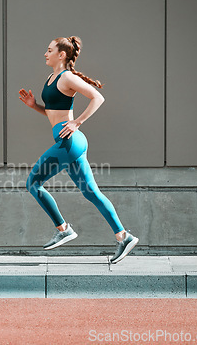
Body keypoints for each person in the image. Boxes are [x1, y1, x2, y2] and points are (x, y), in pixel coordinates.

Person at [18, 36, 138, 264]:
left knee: (33, 183)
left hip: (70, 142)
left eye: (49, 49)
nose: (46, 53)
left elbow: (97, 97)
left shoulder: (67, 77)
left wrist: (77, 122)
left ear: (61, 55)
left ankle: (63, 229)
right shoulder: (52, 77)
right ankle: (124, 236)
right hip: (71, 143)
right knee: (91, 192)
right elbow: (55, 114)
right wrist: (35, 107)